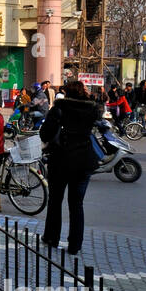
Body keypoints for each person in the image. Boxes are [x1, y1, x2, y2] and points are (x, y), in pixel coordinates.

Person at [39, 79, 101, 256]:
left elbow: (46, 133)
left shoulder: (59, 108)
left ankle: (51, 237)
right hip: (84, 161)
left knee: (55, 201)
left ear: (67, 92)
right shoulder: (92, 109)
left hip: (61, 159)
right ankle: (75, 244)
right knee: (77, 204)